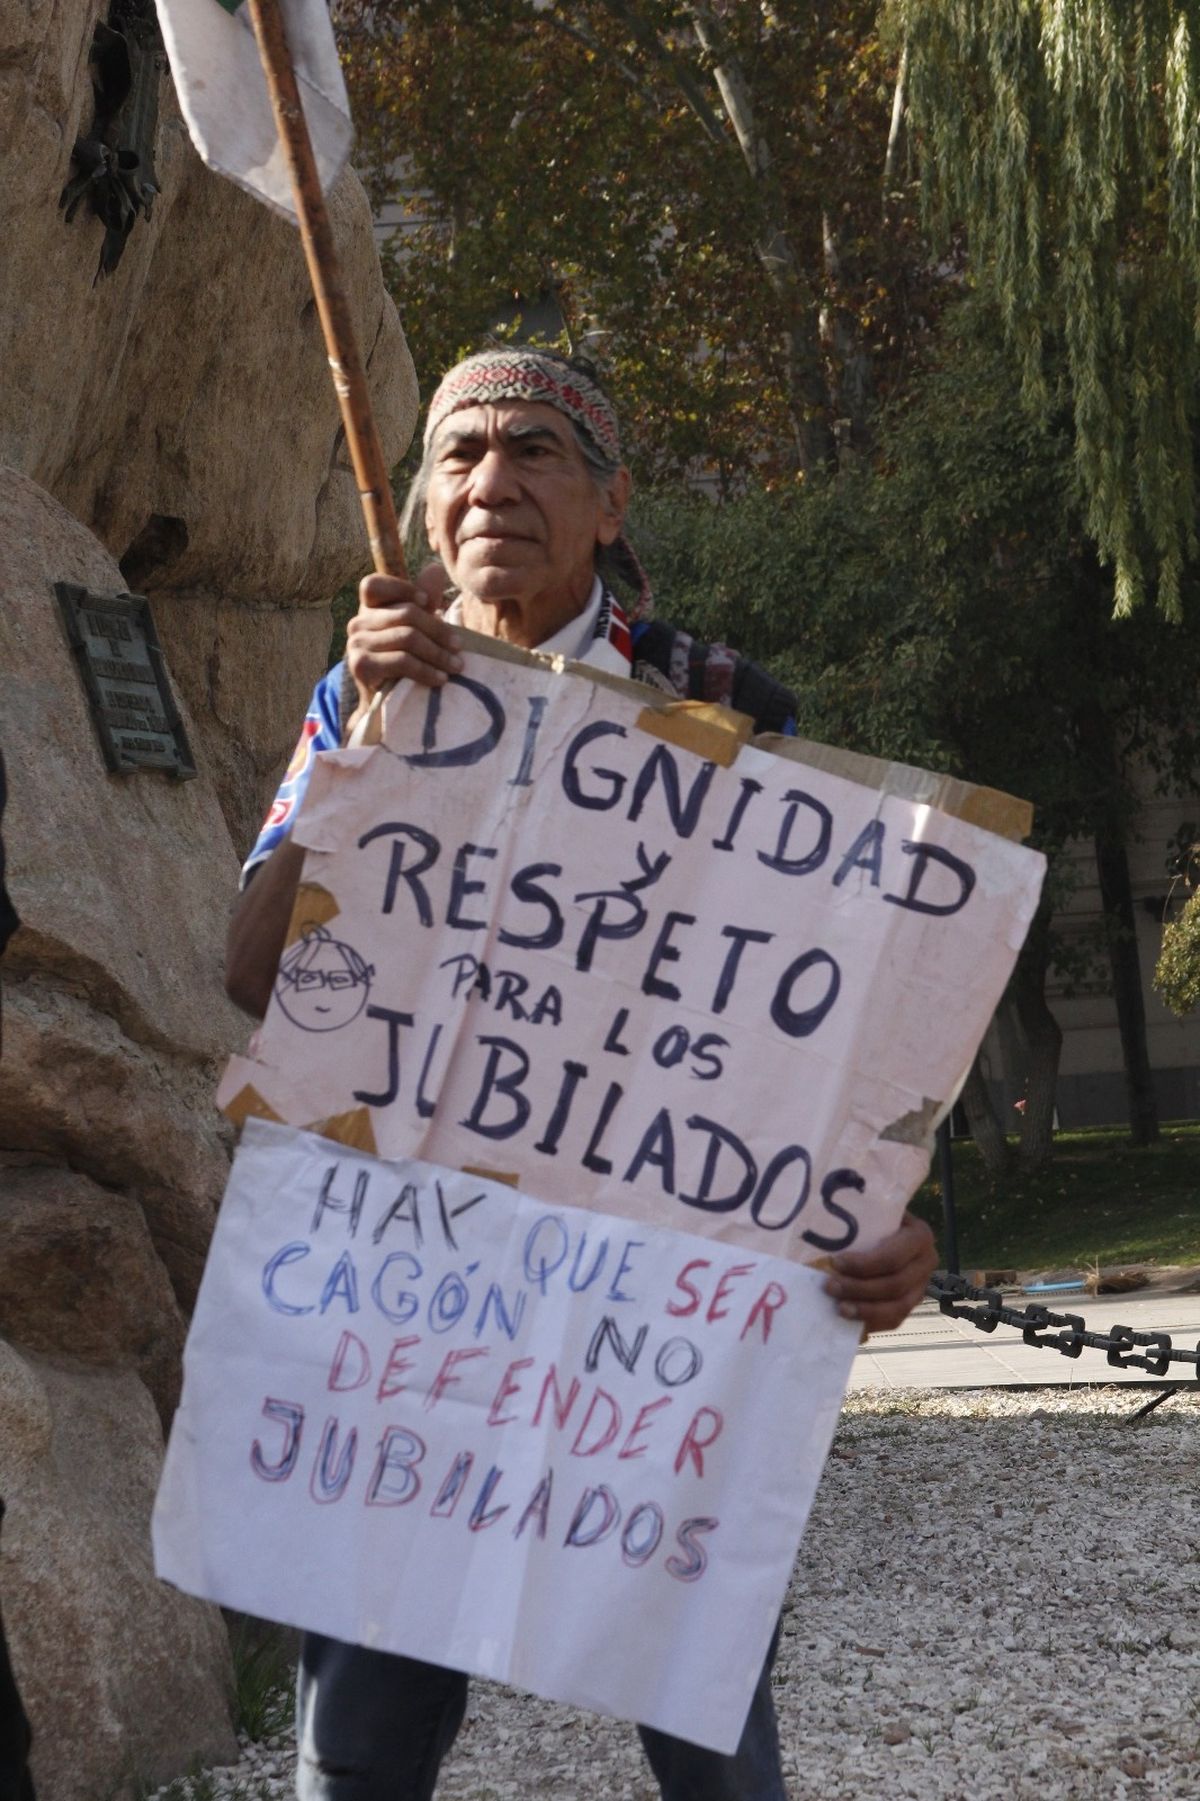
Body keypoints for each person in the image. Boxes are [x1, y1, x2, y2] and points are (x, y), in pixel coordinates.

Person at [226, 347, 938, 1801]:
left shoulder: (736, 711)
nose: (491, 480)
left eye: (534, 448)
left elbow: (827, 1022)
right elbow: (256, 973)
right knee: (353, 1748)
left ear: (611, 502)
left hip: (649, 1331)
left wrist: (903, 1215)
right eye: (459, 451)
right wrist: (366, 743)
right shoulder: (357, 698)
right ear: (424, 505)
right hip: (414, 1315)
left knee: (710, 1738)